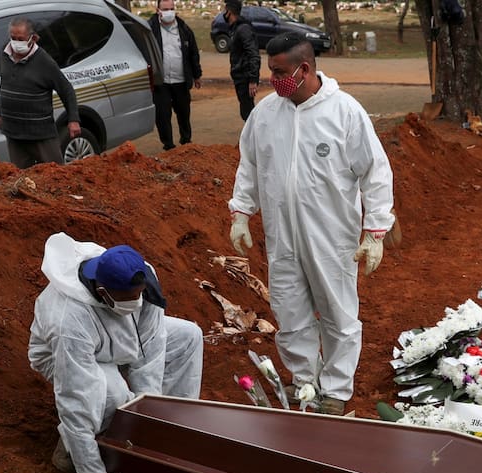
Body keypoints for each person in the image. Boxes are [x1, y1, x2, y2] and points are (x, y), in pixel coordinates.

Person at [228, 33, 395, 416]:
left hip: (331, 237)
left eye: (279, 72)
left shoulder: (345, 112)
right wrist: (241, 213)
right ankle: (305, 381)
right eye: (271, 72)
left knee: (337, 314)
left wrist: (375, 232)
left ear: (304, 69)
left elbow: (375, 172)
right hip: (281, 236)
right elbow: (249, 166)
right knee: (290, 314)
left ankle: (335, 391)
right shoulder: (265, 115)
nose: (273, 80)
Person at [28, 233, 204, 473]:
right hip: (65, 354)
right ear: (103, 292)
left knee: (188, 337)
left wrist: (148, 413)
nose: (137, 303)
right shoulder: (70, 319)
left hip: (117, 339)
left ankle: (171, 428)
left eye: (139, 296)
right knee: (113, 394)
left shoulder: (143, 279)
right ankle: (73, 451)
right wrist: (92, 468)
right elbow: (75, 393)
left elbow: (151, 348)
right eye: (129, 299)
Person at [0, 18, 81, 169]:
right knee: (21, 179)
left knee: (55, 175)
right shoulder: (4, 54)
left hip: (40, 134)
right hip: (14, 132)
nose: (16, 43)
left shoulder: (44, 61)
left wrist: (73, 119)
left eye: (20, 39)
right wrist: (0, 113)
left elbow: (66, 89)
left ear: (33, 38)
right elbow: (4, 83)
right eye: (13, 38)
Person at [149, 0, 203, 150]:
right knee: (162, 115)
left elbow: (193, 53)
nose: (169, 12)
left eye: (172, 9)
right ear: (157, 10)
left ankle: (186, 142)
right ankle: (168, 145)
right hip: (161, 82)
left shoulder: (184, 29)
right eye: (165, 9)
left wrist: (197, 75)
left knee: (184, 113)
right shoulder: (150, 30)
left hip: (181, 81)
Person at [224, 0, 261, 121]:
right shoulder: (235, 29)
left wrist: (252, 79)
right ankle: (251, 137)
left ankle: (253, 138)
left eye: (225, 10)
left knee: (248, 112)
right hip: (239, 76)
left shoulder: (243, 29)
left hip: (245, 76)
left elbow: (253, 54)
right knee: (245, 110)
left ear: (229, 12)